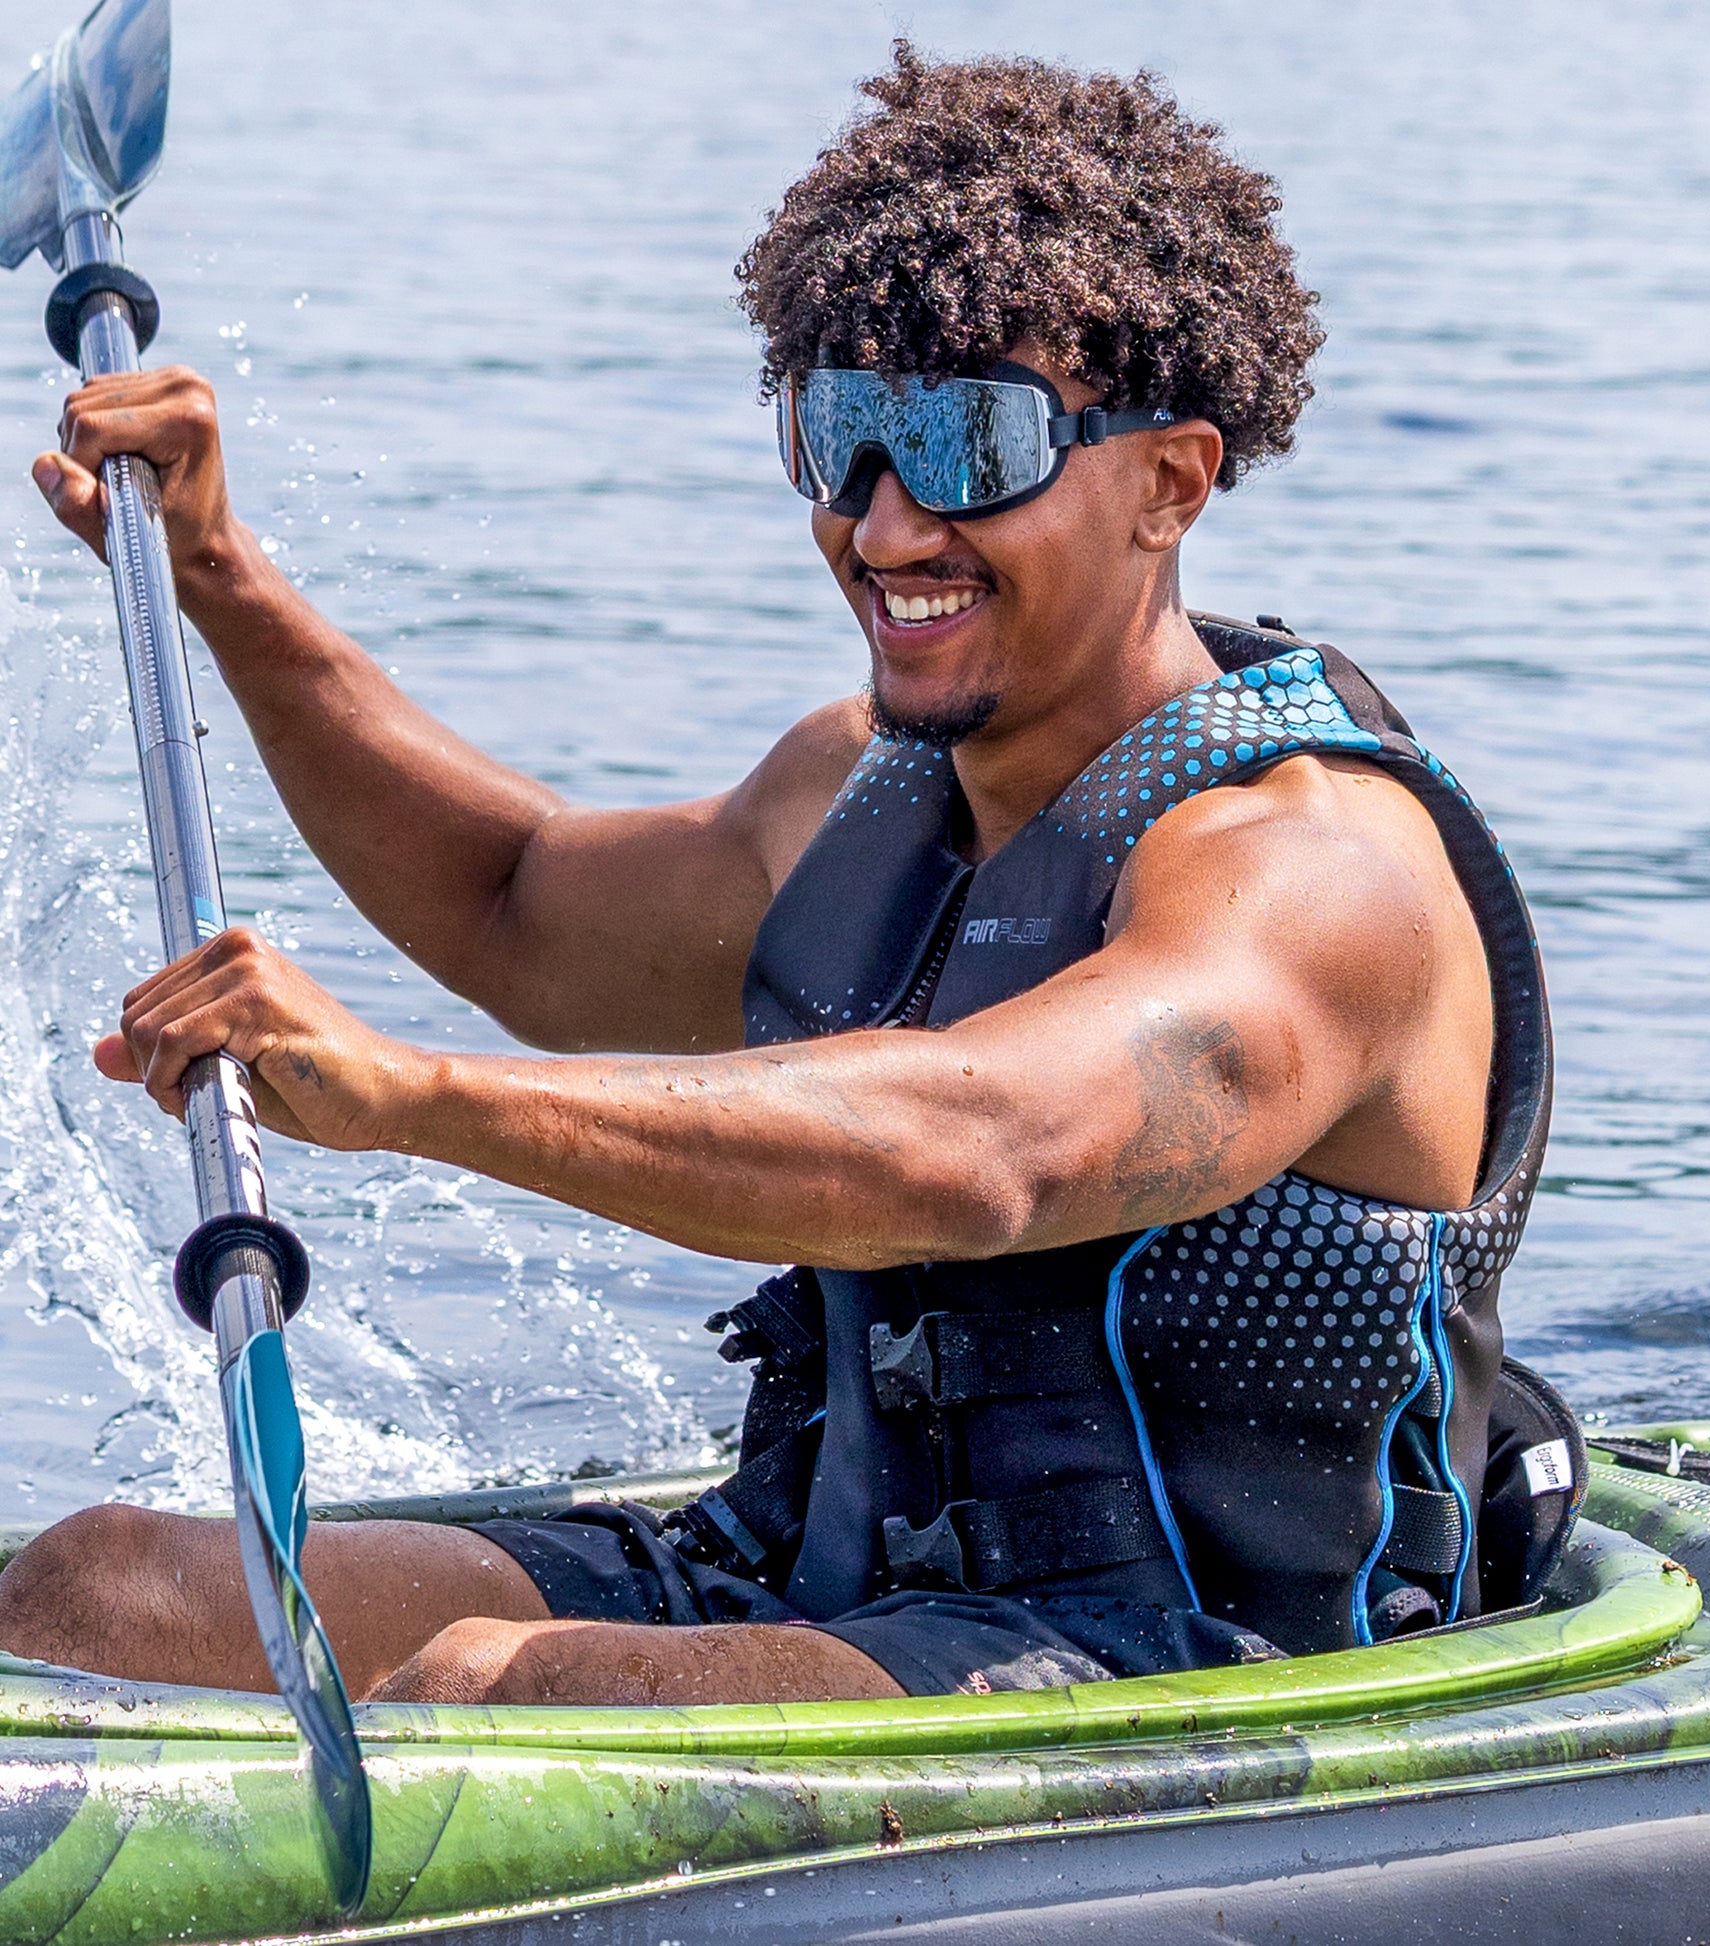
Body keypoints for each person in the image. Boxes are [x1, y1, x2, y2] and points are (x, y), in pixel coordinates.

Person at [0, 46, 1550, 1708]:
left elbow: (988, 1149)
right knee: (103, 1590)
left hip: (1181, 1664)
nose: (882, 528)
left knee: (500, 1691)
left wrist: (409, 1094)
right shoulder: (852, 785)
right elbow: (515, 902)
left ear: (1168, 480)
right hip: (807, 1571)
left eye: (968, 441)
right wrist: (221, 576)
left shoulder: (1314, 873)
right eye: (844, 434)